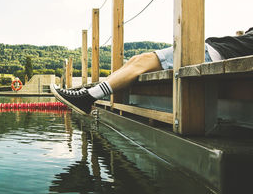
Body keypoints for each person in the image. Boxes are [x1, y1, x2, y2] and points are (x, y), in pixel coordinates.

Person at [51, 27, 253, 115]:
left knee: (142, 60)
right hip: (213, 49)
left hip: (214, 53)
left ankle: (87, 97)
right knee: (136, 59)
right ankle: (87, 93)